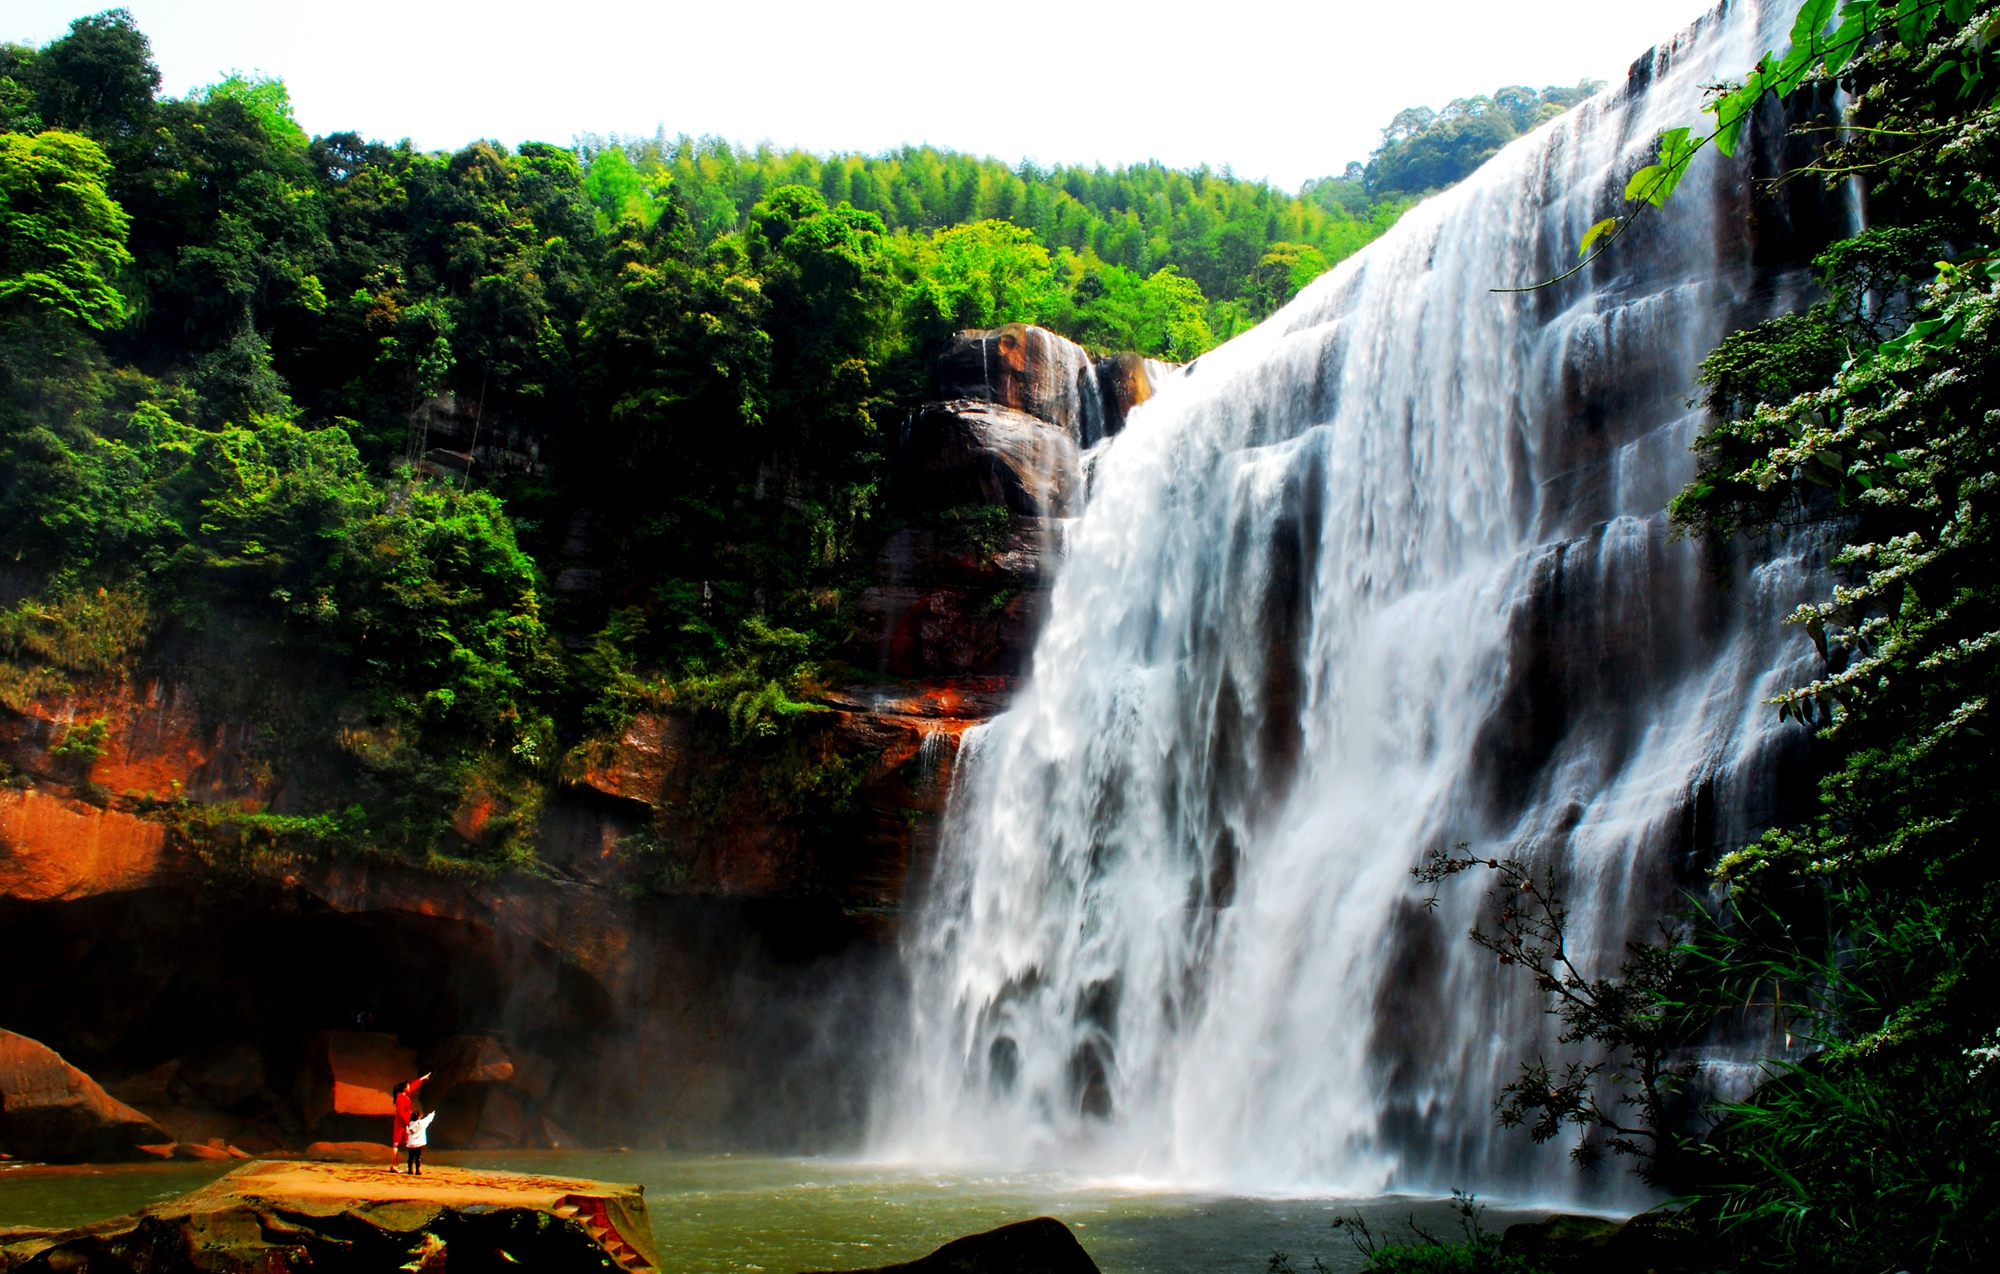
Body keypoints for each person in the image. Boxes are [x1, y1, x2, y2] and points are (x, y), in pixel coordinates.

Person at [391, 1072, 431, 1174]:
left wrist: (422, 1079)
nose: (409, 1087)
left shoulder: (404, 1095)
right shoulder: (400, 1097)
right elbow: (400, 1113)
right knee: (396, 1144)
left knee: (403, 1143)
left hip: (404, 1122)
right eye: (407, 1086)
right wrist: (407, 1123)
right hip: (401, 1123)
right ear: (404, 1088)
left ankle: (397, 1165)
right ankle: (394, 1165)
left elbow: (413, 1086)